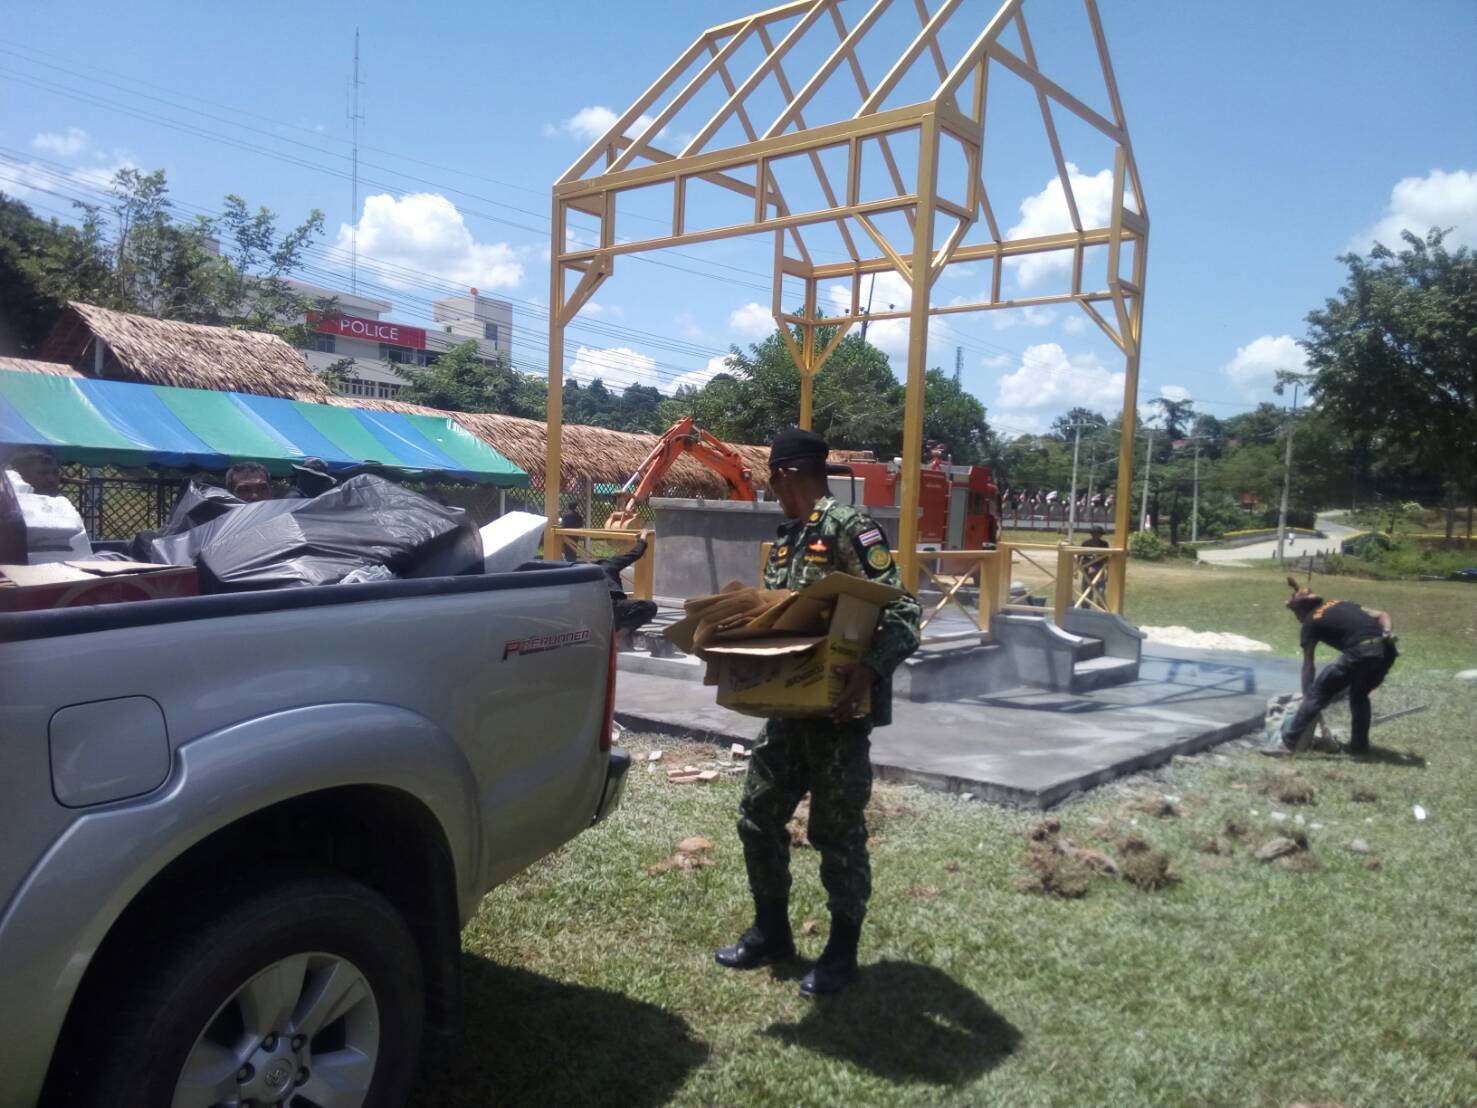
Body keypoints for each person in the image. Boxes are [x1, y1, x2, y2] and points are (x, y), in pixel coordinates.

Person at [715, 427, 921, 998]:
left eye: (771, 481)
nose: (770, 491)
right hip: (788, 713)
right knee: (757, 816)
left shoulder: (850, 528)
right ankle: (771, 933)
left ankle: (841, 953)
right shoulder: (787, 540)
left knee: (837, 835)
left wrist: (870, 669)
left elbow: (903, 610)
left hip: (837, 717)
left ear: (787, 474)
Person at [1276, 578, 1397, 756]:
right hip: (1386, 652)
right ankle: (1359, 747)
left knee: (1318, 692)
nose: (1297, 618)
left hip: (1361, 652)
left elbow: (1308, 665)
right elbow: (1382, 615)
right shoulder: (1339, 603)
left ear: (1301, 609)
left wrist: (1307, 696)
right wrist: (1387, 632)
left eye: (1295, 613)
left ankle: (1287, 745)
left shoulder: (1310, 621)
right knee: (1359, 695)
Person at [1079, 524, 1109, 606]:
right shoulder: (1085, 543)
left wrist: (1108, 572)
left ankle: (1102, 611)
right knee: (1086, 593)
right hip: (1087, 571)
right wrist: (1080, 569)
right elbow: (1079, 557)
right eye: (1094, 533)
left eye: (1098, 533)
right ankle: (1085, 611)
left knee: (1101, 592)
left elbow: (1107, 559)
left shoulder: (1104, 544)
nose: (1096, 535)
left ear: (1101, 535)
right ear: (1091, 534)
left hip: (1099, 571)